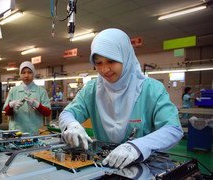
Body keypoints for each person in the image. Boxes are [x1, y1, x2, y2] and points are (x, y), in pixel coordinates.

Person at [59, 28, 183, 169]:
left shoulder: (151, 89)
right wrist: (71, 125)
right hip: (104, 164)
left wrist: (138, 146)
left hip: (143, 165)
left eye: (111, 61)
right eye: (98, 63)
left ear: (126, 57)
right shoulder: (92, 90)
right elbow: (67, 113)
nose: (105, 70)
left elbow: (173, 129)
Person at [3, 61, 51, 135]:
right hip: (16, 132)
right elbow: (7, 113)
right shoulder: (13, 90)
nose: (26, 75)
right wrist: (11, 105)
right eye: (23, 72)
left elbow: (47, 113)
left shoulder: (41, 91)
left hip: (34, 132)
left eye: (29, 72)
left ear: (33, 74)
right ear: (20, 74)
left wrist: (38, 105)